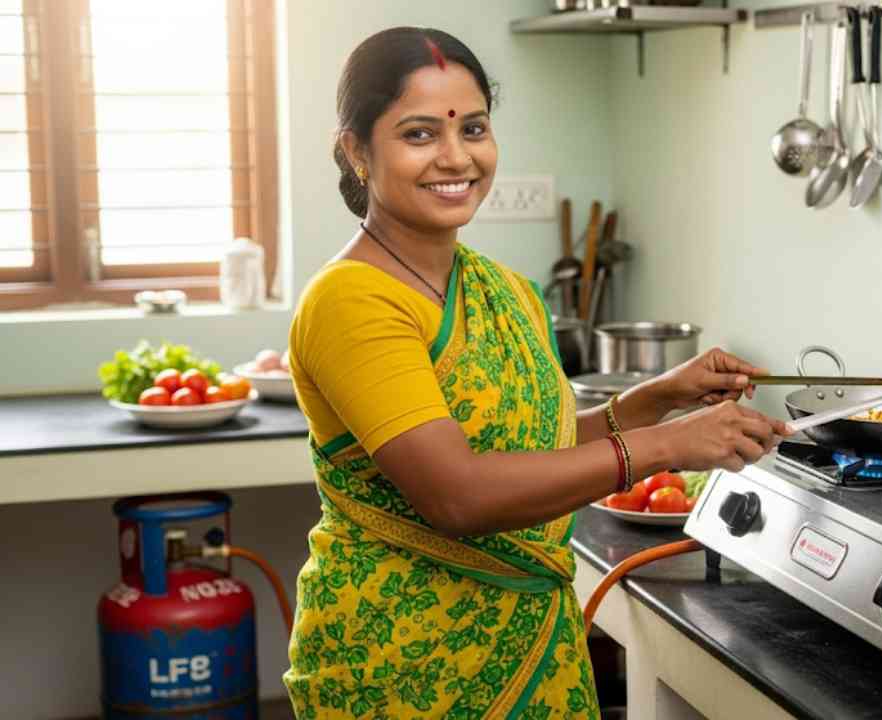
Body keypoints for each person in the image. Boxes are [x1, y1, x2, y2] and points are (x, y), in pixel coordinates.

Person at [282, 27, 787, 719]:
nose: (456, 157)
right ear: (356, 150)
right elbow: (458, 494)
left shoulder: (504, 289)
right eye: (420, 134)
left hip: (531, 650)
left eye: (476, 128)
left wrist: (657, 401)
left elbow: (525, 448)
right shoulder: (351, 301)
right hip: (403, 665)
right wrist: (669, 446)